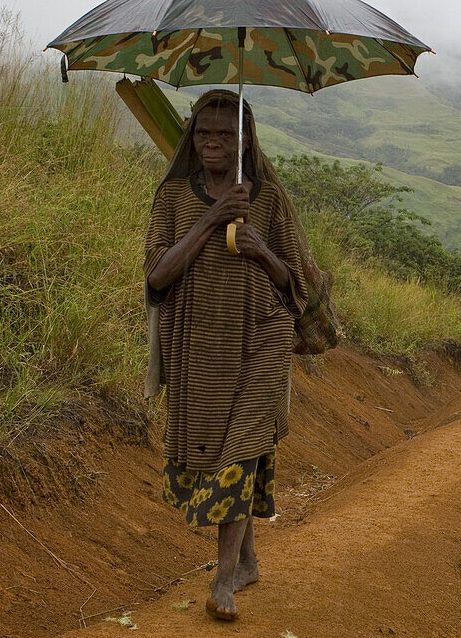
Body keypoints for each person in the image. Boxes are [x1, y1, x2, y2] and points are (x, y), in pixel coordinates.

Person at [143, 89, 308, 621]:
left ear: (245, 140)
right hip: (200, 344)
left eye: (225, 134)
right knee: (216, 449)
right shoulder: (172, 197)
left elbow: (295, 287)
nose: (212, 143)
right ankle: (249, 559)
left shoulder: (269, 201)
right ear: (192, 138)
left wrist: (261, 248)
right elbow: (157, 276)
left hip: (263, 337)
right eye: (202, 133)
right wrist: (212, 219)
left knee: (240, 446)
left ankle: (223, 580)